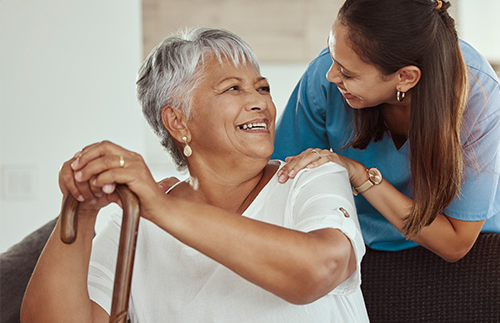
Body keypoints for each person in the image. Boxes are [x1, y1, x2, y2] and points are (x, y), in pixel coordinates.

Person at [21, 27, 369, 322]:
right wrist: (81, 211)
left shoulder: (311, 175)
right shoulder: (134, 225)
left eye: (262, 88)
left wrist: (162, 208)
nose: (261, 102)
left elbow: (319, 270)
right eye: (234, 88)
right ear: (178, 122)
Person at [274, 0, 500, 262]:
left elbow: (455, 243)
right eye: (333, 58)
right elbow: (283, 185)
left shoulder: (476, 90)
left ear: (405, 77)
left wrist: (358, 173)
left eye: (347, 73)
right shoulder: (325, 78)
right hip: (369, 245)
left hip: (483, 244)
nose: (330, 75)